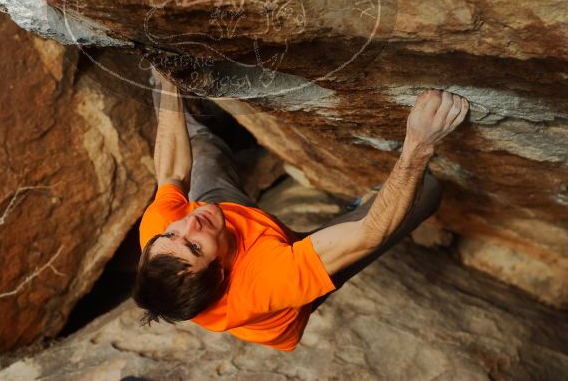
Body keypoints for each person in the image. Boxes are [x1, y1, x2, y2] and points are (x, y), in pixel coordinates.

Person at [133, 69, 469, 351]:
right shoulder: (268, 283)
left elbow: (173, 172)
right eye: (194, 246)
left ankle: (171, 80)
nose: (190, 224)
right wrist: (419, 143)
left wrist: (168, 78)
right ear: (221, 270)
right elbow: (368, 235)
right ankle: (354, 213)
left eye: (174, 233)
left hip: (232, 220)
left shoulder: (162, 236)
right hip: (277, 274)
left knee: (198, 147)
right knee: (425, 192)